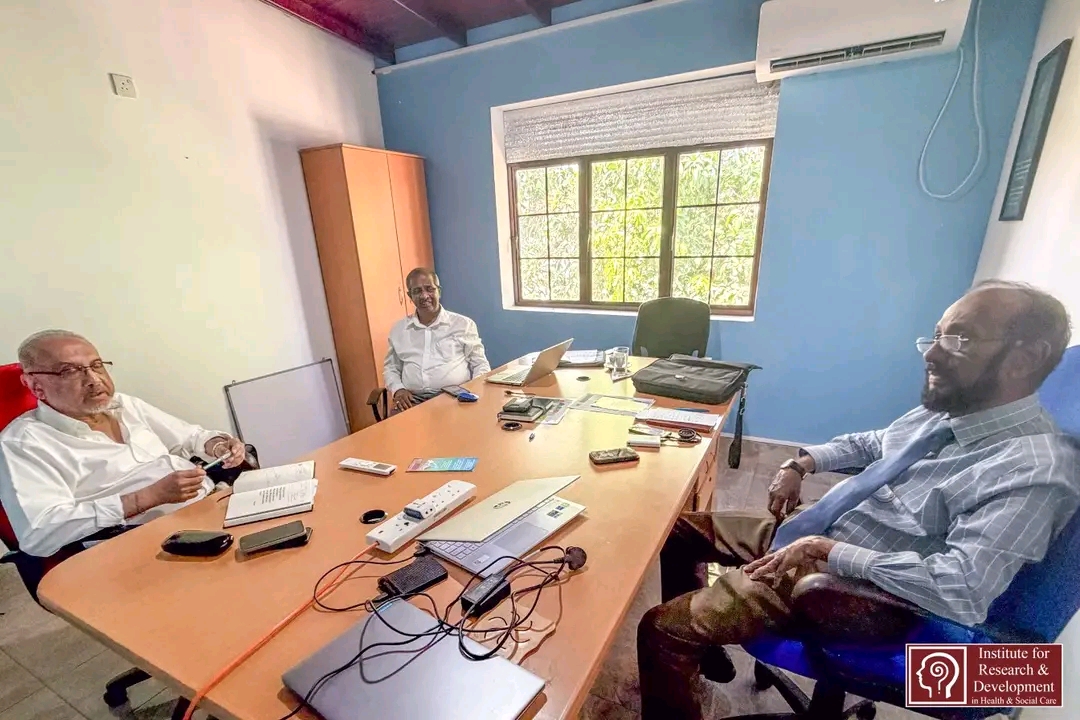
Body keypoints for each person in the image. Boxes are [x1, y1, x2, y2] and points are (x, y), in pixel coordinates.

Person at [637, 281, 1080, 720]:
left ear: (1024, 359)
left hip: (856, 590)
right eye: (937, 335)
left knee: (660, 630)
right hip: (825, 532)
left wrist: (828, 551)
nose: (931, 353)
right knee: (675, 530)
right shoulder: (957, 409)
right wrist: (801, 464)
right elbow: (872, 443)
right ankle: (705, 650)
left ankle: (687, 642)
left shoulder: (1031, 471)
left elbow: (960, 591)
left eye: (959, 338)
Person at [0, 330, 248, 557]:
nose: (94, 379)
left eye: (96, 365)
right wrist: (147, 497)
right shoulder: (23, 443)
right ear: (35, 386)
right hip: (144, 544)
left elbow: (190, 437)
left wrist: (216, 445)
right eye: (69, 371)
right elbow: (39, 533)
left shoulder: (123, 404)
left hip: (210, 507)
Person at [384, 268, 490, 412]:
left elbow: (480, 364)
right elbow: (391, 368)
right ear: (410, 296)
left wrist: (473, 391)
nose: (424, 296)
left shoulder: (463, 325)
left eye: (429, 289)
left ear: (439, 291)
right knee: (397, 426)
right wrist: (398, 389)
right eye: (417, 291)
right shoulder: (399, 329)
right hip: (411, 400)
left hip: (454, 397)